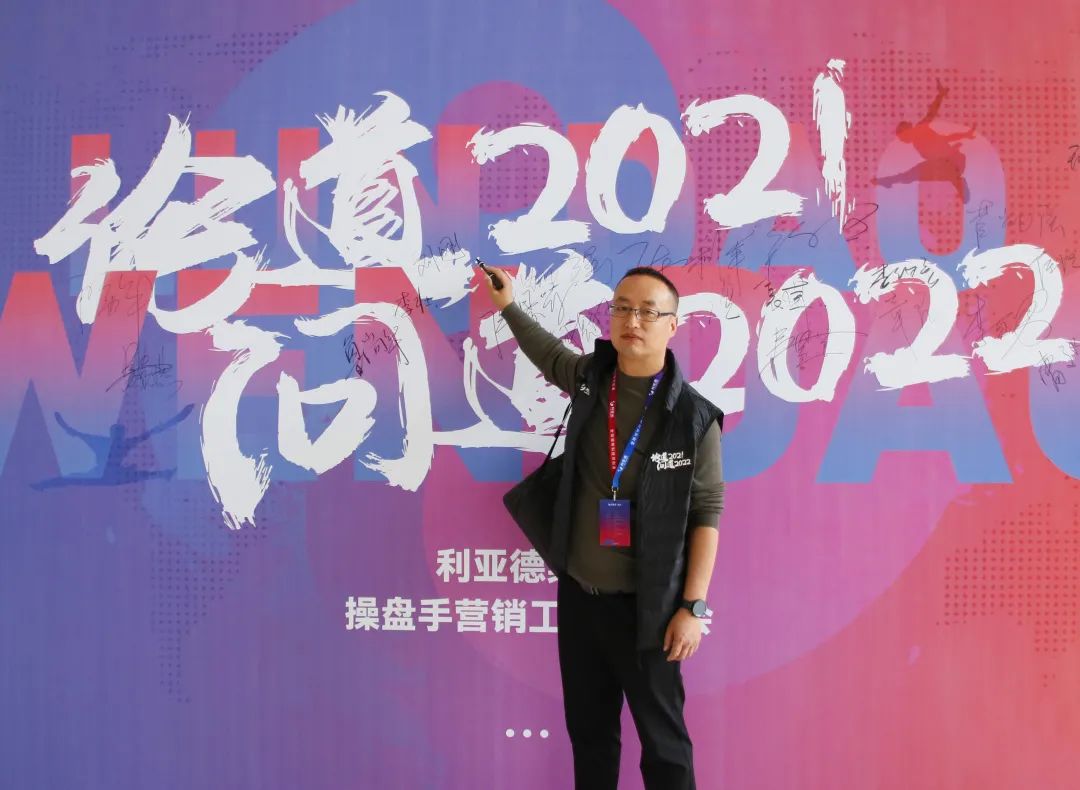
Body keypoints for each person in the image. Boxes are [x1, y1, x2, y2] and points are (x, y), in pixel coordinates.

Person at [479, 264, 724, 790]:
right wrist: (508, 305)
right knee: (590, 737)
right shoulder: (592, 380)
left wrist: (693, 607)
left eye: (647, 312)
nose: (632, 321)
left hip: (651, 610)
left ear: (672, 325)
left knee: (665, 748)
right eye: (622, 308)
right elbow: (548, 354)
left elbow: (707, 511)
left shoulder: (694, 419)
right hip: (580, 598)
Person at [873, 78, 976, 202]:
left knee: (914, 173)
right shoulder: (919, 140)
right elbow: (947, 138)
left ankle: (888, 181)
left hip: (951, 162)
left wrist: (940, 96)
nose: (902, 139)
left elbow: (931, 113)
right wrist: (965, 135)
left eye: (902, 136)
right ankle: (959, 185)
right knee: (916, 173)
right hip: (952, 164)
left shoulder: (920, 129)